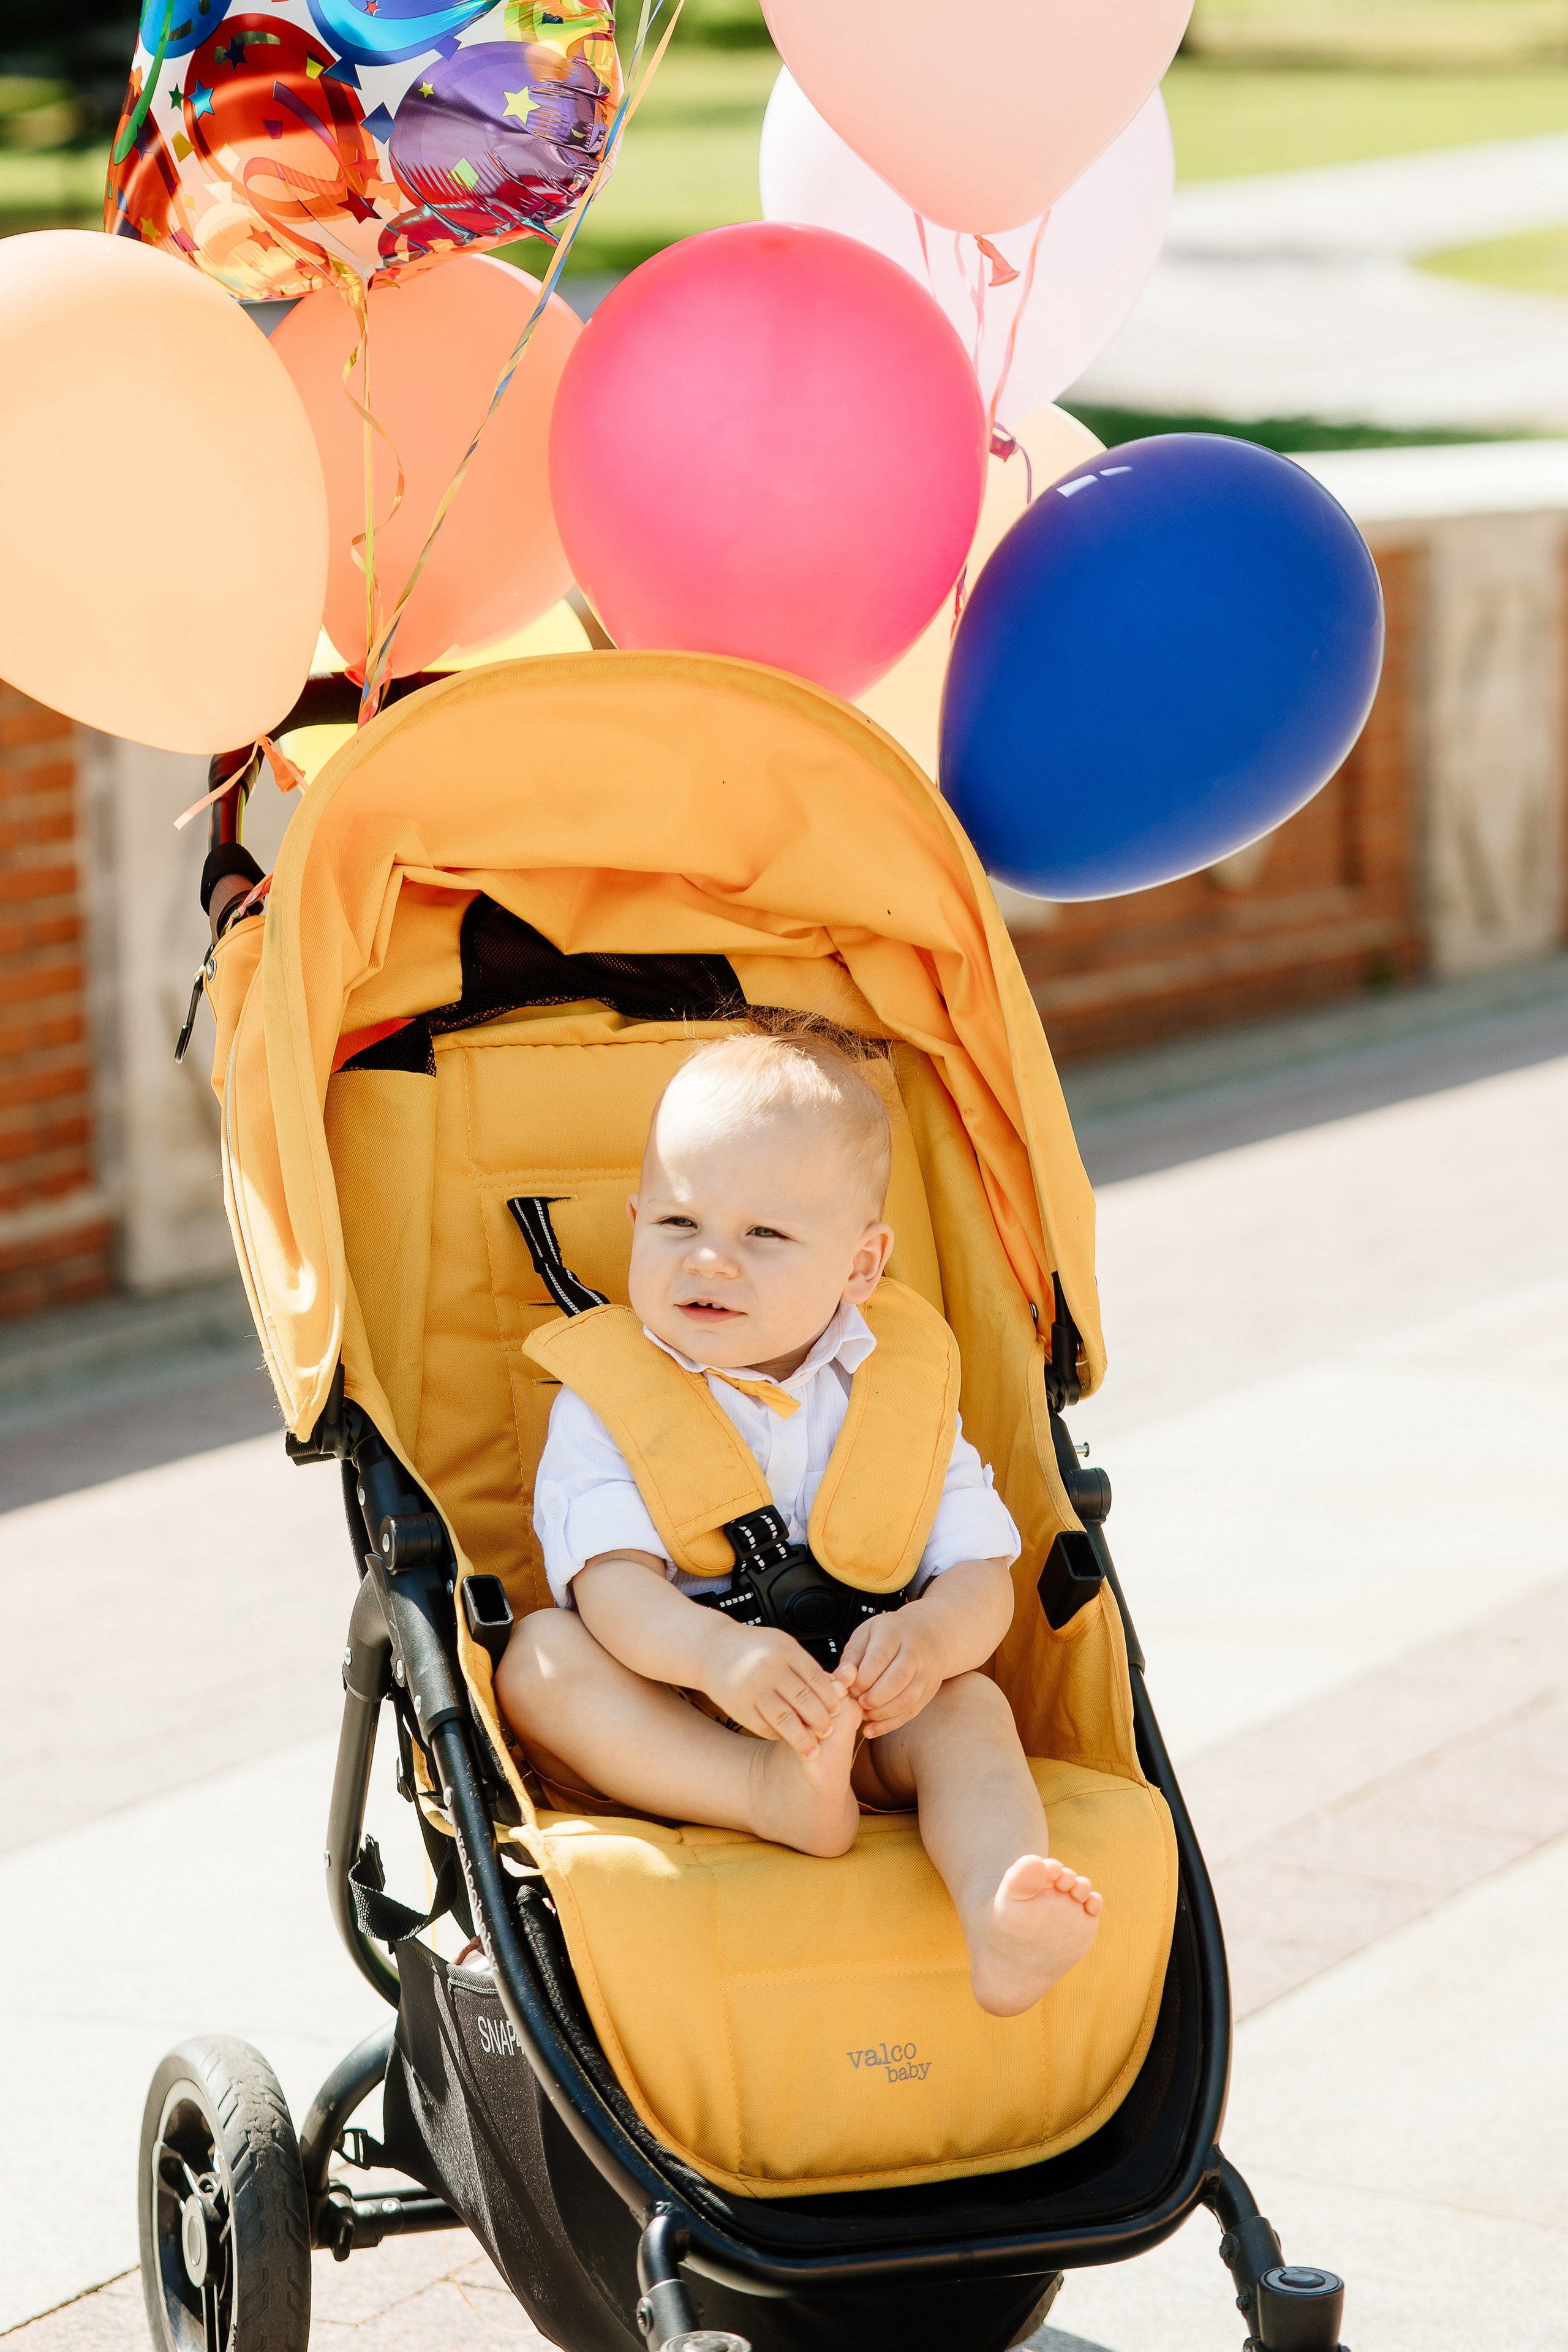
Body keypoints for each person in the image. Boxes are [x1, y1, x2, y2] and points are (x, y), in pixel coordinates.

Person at [496, 1029, 1103, 2017]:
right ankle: (765, 1793)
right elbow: (610, 1582)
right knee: (538, 1658)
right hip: (689, 1715)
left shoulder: (892, 1386)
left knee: (973, 1710)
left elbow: (980, 1575)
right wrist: (719, 1662)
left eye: (764, 1236)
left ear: (862, 1267)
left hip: (877, 1706)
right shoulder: (609, 1400)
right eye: (679, 1221)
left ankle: (1002, 1908)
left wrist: (926, 1639)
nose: (709, 1260)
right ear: (635, 1219)